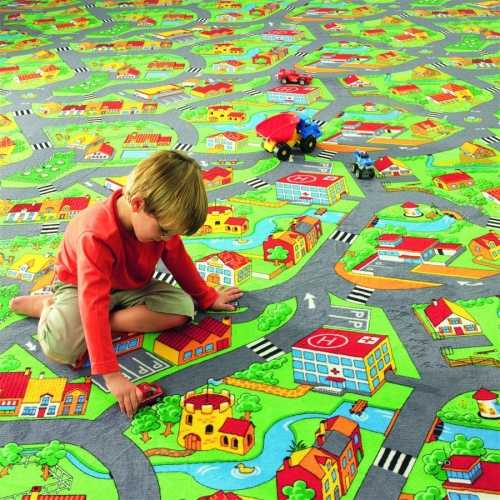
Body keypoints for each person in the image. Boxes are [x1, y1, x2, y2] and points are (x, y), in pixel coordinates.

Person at [10, 150, 243, 417]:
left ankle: (95, 324)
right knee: (62, 349)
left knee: (183, 307)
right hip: (80, 288)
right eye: (164, 232)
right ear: (137, 204)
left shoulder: (158, 225)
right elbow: (93, 300)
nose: (167, 239)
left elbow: (178, 258)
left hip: (130, 285)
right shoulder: (95, 235)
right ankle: (47, 306)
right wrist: (112, 375)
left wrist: (207, 297)